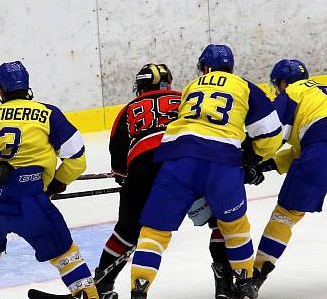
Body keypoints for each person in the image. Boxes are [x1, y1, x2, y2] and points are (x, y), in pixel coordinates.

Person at [129, 44, 283, 299]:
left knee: (154, 231)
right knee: (234, 225)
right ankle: (244, 284)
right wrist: (253, 159)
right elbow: (271, 134)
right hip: (221, 162)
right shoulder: (244, 87)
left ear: (205, 68)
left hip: (177, 159)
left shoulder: (192, 86)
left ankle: (139, 289)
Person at [0, 61, 99, 299]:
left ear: (0, 89)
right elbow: (77, 160)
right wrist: (56, 183)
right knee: (65, 255)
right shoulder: (48, 113)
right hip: (30, 202)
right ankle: (87, 295)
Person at [97, 63, 237, 299]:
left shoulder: (129, 108)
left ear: (140, 87)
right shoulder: (187, 98)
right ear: (168, 83)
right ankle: (224, 283)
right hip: (188, 163)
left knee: (127, 231)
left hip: (144, 168)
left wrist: (126, 177)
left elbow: (118, 158)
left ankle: (102, 284)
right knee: (221, 221)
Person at [250, 59, 327, 291]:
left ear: (283, 82)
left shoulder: (291, 92)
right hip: (317, 146)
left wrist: (251, 161)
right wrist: (269, 165)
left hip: (321, 149)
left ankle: (255, 276)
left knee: (285, 214)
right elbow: (299, 150)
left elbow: (273, 134)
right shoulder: (320, 89)